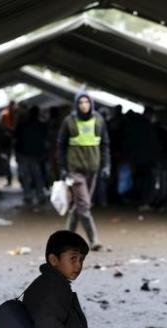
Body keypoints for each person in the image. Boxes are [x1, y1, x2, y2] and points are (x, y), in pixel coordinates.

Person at [57, 91, 110, 251]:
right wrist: (62, 169)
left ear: (91, 104)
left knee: (79, 206)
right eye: (81, 103)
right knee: (84, 205)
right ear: (76, 104)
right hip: (75, 171)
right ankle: (94, 240)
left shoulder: (99, 120)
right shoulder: (69, 121)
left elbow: (105, 145)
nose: (84, 105)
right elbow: (61, 146)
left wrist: (107, 165)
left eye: (87, 102)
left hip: (93, 169)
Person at [14, 105, 47, 205]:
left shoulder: (22, 125)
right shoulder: (41, 125)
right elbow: (44, 141)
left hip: (25, 154)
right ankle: (39, 195)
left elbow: (16, 139)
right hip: (34, 155)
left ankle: (28, 195)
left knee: (27, 176)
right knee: (37, 176)